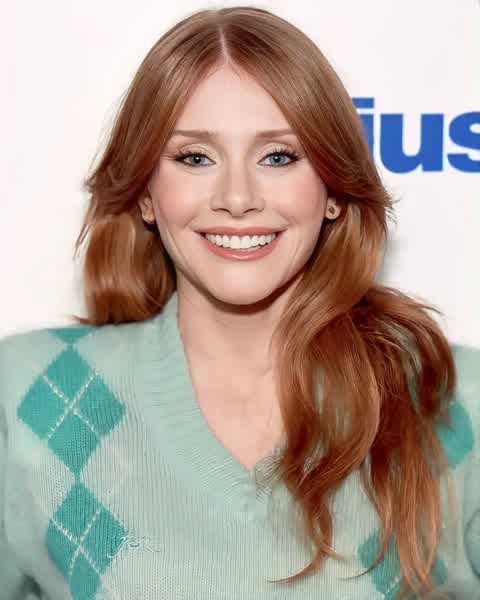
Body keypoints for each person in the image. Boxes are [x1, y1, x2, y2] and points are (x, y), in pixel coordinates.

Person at [0, 5, 478, 600]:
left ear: (332, 189)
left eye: (278, 157)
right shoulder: (29, 398)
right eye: (195, 158)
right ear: (145, 193)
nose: (237, 197)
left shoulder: (449, 397)